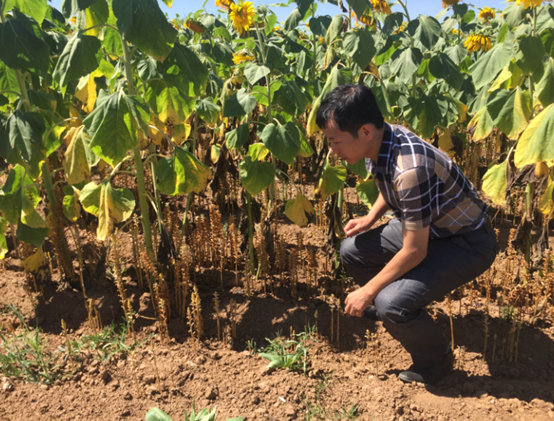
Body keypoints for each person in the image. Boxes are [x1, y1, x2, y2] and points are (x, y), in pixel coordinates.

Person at [315, 84, 498, 384]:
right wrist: (371, 216)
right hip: (432, 227)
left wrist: (368, 291)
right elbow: (390, 185)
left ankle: (436, 359)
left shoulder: (410, 168)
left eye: (335, 142)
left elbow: (415, 250)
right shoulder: (382, 139)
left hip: (466, 241)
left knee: (389, 302)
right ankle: (400, 308)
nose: (332, 151)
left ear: (364, 132)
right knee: (352, 250)